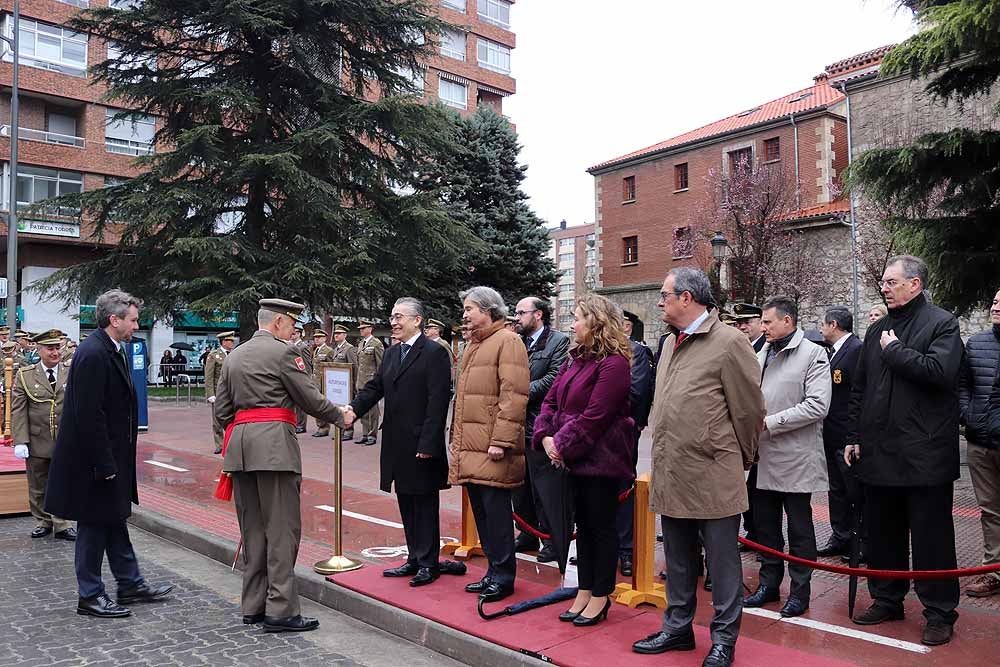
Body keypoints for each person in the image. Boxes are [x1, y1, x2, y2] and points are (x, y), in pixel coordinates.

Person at [632, 268, 764, 667]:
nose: (660, 301)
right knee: (677, 559)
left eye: (665, 294)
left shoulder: (729, 342)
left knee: (722, 567)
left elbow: (749, 411)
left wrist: (739, 458)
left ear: (687, 298)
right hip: (673, 470)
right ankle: (678, 629)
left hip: (713, 473)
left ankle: (724, 640)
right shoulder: (671, 343)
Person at [845, 255, 962, 646]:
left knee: (932, 539)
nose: (884, 286)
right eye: (883, 281)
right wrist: (853, 437)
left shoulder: (943, 323)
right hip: (879, 454)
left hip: (924, 455)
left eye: (892, 281)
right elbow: (859, 389)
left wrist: (896, 353)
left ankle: (940, 611)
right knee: (884, 535)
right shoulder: (878, 328)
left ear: (915, 284)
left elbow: (940, 374)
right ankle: (887, 598)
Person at [214, 298, 349, 632]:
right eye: (291, 325)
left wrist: (246, 429)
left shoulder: (235, 356)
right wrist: (339, 416)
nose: (293, 332)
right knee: (282, 531)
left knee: (253, 531)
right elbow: (308, 397)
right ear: (277, 322)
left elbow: (222, 412)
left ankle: (253, 605)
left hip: (240, 451)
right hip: (274, 449)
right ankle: (281, 610)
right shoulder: (284, 353)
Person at [45, 289, 173, 619]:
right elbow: (88, 415)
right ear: (113, 320)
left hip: (109, 458)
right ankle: (89, 595)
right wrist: (104, 463)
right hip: (95, 462)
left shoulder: (111, 349)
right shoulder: (93, 354)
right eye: (132, 320)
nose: (136, 325)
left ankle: (129, 583)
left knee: (114, 520)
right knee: (93, 527)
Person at [346, 298, 464, 586]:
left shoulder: (434, 352)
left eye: (399, 317)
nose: (394, 322)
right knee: (406, 500)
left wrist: (428, 443)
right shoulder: (391, 353)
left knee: (424, 502)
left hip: (421, 441)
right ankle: (414, 557)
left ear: (417, 320)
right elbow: (375, 387)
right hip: (397, 441)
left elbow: (438, 402)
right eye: (392, 316)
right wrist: (352, 410)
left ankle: (428, 563)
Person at [533, 294, 634, 627]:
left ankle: (601, 594)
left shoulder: (614, 363)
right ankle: (585, 588)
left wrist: (560, 446)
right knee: (584, 529)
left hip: (600, 462)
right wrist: (546, 437)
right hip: (573, 458)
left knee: (600, 529)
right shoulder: (575, 358)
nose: (572, 324)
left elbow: (596, 416)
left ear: (596, 322)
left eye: (577, 318)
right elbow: (550, 402)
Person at [743, 297, 831, 619]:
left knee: (799, 530)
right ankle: (768, 585)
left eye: (768, 322)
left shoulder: (814, 354)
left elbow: (818, 405)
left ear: (788, 321)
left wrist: (770, 422)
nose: (762, 327)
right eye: (762, 322)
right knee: (765, 528)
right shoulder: (760, 353)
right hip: (761, 457)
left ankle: (799, 592)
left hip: (794, 458)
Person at [449, 286, 529, 604]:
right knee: (482, 514)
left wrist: (501, 440)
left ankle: (504, 576)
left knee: (496, 514)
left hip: (492, 447)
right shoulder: (474, 345)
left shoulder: (508, 341)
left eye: (470, 309)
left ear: (489, 310)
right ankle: (493, 571)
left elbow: (514, 395)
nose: (465, 315)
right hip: (472, 446)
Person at [511, 296, 569, 561]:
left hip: (540, 425)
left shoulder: (558, 341)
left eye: (521, 313)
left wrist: (520, 392)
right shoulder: (515, 341)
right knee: (519, 486)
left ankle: (552, 540)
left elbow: (555, 378)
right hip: (515, 425)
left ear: (538, 315)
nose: (516, 317)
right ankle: (526, 533)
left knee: (544, 487)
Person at [11, 329, 75, 541]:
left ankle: (62, 523)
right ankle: (43, 521)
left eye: (57, 347)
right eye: (50, 348)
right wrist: (21, 440)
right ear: (39, 350)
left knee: (64, 482)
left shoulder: (71, 370)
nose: (55, 352)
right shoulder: (25, 374)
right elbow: (19, 409)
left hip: (65, 439)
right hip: (38, 438)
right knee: (38, 485)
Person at [959, 287, 1000, 598]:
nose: (996, 306)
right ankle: (993, 571)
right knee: (989, 510)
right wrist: (967, 414)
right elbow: (963, 385)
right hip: (979, 440)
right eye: (995, 301)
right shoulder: (977, 343)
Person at [817, 307, 864, 559]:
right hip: (831, 435)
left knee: (854, 492)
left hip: (847, 437)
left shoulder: (855, 350)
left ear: (833, 324)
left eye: (822, 324)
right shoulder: (833, 353)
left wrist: (854, 436)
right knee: (836, 491)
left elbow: (858, 395)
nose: (820, 328)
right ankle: (840, 536)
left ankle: (861, 542)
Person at [617, 316, 653, 577]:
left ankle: (626, 551)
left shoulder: (636, 351)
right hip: (592, 435)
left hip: (621, 432)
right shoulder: (588, 351)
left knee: (623, 490)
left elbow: (638, 391)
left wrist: (637, 422)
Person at [204, 331, 236, 455]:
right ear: (224, 342)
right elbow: (209, 376)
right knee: (217, 420)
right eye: (230, 341)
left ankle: (231, 442)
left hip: (232, 391)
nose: (232, 343)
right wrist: (210, 394)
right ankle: (219, 444)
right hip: (219, 392)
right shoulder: (214, 355)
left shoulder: (233, 354)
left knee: (233, 417)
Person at [326, 324, 359, 441]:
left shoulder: (349, 349)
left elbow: (354, 367)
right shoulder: (336, 349)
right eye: (335, 334)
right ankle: (340, 430)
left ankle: (349, 431)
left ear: (344, 335)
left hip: (347, 385)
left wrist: (354, 384)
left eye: (338, 334)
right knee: (338, 407)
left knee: (346, 408)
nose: (336, 335)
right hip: (338, 385)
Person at [355, 320, 384, 445]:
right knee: (363, 409)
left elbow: (381, 364)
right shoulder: (361, 344)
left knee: (372, 410)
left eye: (364, 328)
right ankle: (365, 433)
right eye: (360, 328)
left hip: (371, 381)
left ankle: (372, 434)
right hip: (361, 381)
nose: (361, 330)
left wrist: (379, 382)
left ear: (370, 329)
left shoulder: (376, 343)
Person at [311, 329, 335, 437]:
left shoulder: (328, 351)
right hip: (316, 382)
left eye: (319, 337)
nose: (316, 339)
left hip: (324, 382)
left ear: (325, 338)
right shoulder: (316, 350)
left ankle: (325, 427)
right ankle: (320, 426)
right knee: (317, 405)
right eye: (315, 337)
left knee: (323, 406)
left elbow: (331, 366)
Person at [289, 322, 310, 433]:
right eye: (292, 333)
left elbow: (306, 364)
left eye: (295, 333)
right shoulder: (291, 346)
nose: (292, 335)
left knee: (301, 404)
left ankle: (302, 425)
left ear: (299, 334)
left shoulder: (303, 347)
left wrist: (305, 378)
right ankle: (297, 423)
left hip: (301, 377)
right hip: (293, 377)